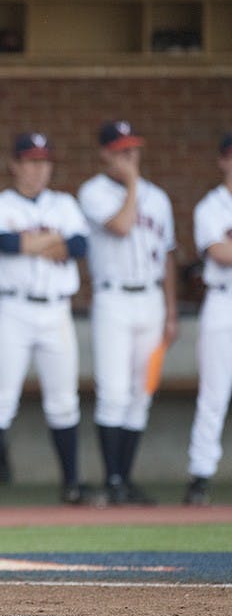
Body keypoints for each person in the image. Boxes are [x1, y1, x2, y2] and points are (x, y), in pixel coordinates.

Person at [0, 133, 92, 505]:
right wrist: (50, 240)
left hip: (56, 309)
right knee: (0, 396)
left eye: (44, 162)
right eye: (31, 161)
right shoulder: (0, 203)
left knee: (63, 400)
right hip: (15, 308)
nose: (39, 169)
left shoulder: (64, 203)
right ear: (15, 165)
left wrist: (34, 243)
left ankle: (72, 482)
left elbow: (78, 247)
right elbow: (7, 244)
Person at [78, 120, 178, 506]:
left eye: (133, 149)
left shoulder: (160, 198)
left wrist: (171, 312)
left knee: (142, 391)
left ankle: (126, 479)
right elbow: (120, 226)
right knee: (113, 391)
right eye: (121, 151)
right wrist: (133, 183)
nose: (129, 157)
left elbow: (168, 255)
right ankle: (113, 479)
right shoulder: (93, 191)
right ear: (105, 154)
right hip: (113, 299)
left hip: (150, 299)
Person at [184, 132, 232, 506]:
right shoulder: (210, 206)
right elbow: (218, 252)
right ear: (223, 160)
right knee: (214, 393)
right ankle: (200, 477)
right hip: (222, 300)